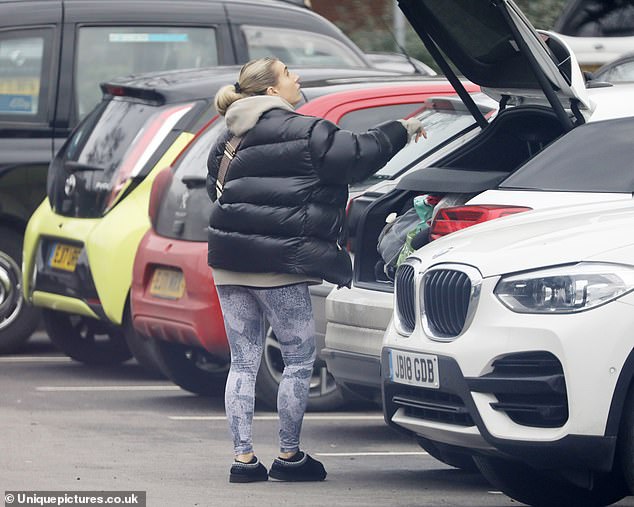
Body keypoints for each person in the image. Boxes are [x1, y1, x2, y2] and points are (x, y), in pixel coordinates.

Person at [206, 57, 426, 484]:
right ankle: (289, 456)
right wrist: (403, 128)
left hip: (229, 262)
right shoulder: (307, 131)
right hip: (281, 265)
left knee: (244, 362)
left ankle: (243, 460)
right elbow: (358, 155)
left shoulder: (229, 138)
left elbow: (217, 186)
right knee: (300, 358)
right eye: (289, 74)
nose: (297, 79)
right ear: (272, 91)